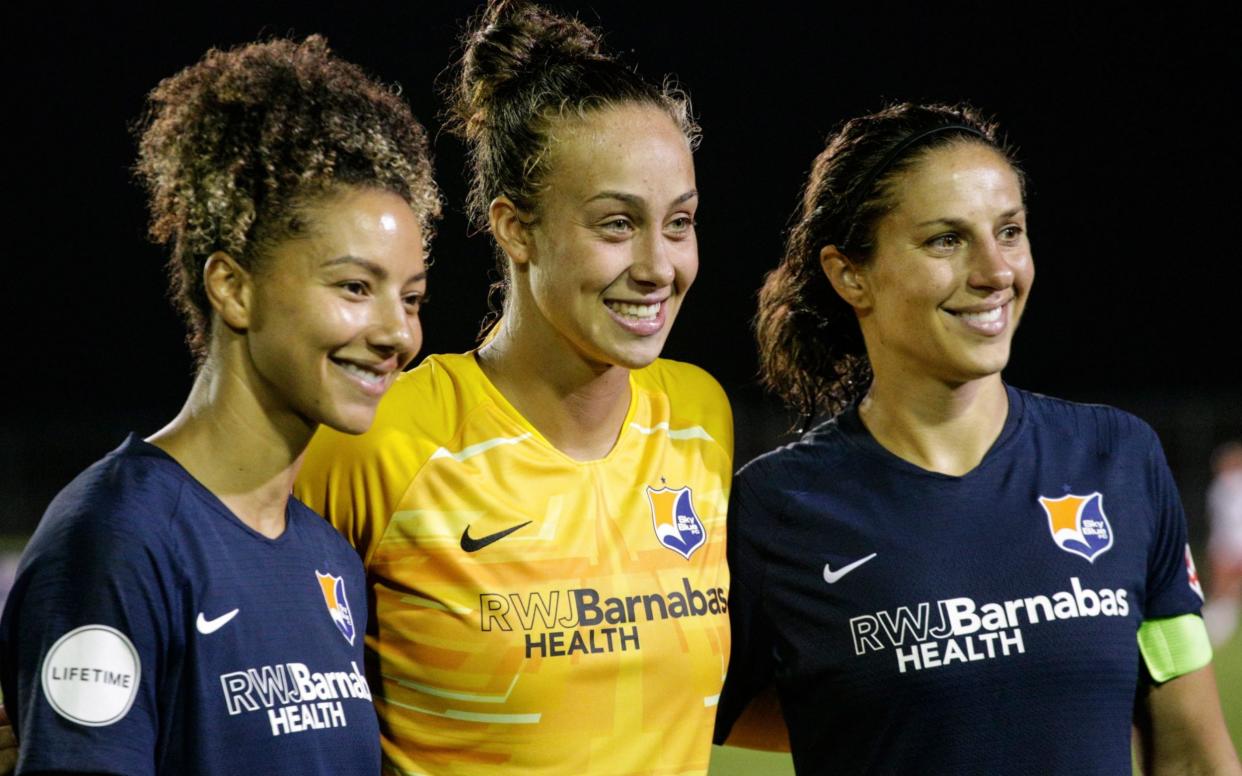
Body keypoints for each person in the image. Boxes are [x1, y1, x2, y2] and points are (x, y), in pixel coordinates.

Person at [714, 102, 1240, 774]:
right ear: (850, 274)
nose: (996, 271)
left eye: (1010, 232)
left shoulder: (1117, 459)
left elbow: (1194, 756)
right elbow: (686, 714)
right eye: (946, 239)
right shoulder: (775, 511)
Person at [294, 2, 732, 773]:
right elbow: (263, 686)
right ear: (516, 228)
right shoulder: (383, 439)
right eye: (616, 224)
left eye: (679, 222)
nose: (659, 267)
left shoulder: (699, 417)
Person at [0, 36, 439, 774]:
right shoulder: (115, 542)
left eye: (413, 298)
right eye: (355, 288)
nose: (398, 333)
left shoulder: (328, 559)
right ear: (233, 288)